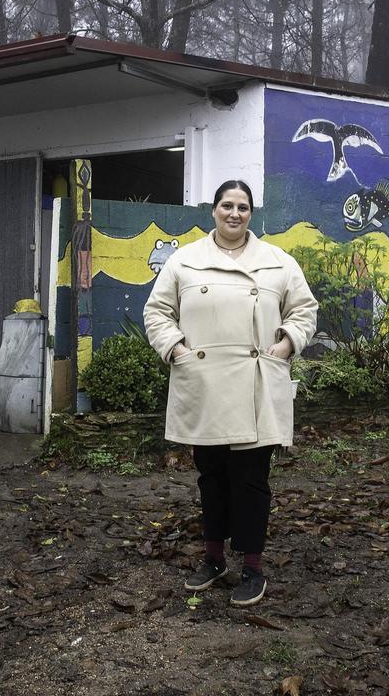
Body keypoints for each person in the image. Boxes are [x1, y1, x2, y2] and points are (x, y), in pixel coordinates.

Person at [143, 180, 318, 606]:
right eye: (227, 205)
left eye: (242, 207)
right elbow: (157, 312)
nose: (234, 213)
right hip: (203, 383)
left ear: (251, 214)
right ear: (214, 211)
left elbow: (305, 309)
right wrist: (178, 350)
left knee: (251, 479)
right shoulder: (185, 261)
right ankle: (214, 558)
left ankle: (253, 566)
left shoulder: (278, 262)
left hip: (256, 384)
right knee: (211, 477)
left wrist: (286, 345)